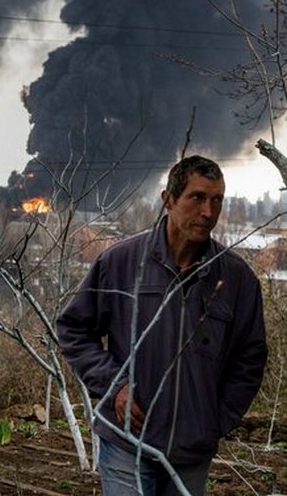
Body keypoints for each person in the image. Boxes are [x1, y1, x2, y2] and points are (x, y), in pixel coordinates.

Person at [57, 155, 267, 495]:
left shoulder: (235, 278)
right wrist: (115, 386)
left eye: (217, 200)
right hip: (127, 443)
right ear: (168, 200)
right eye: (197, 198)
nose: (208, 212)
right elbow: (74, 329)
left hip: (192, 452)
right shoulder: (122, 262)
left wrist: (217, 419)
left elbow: (251, 356)